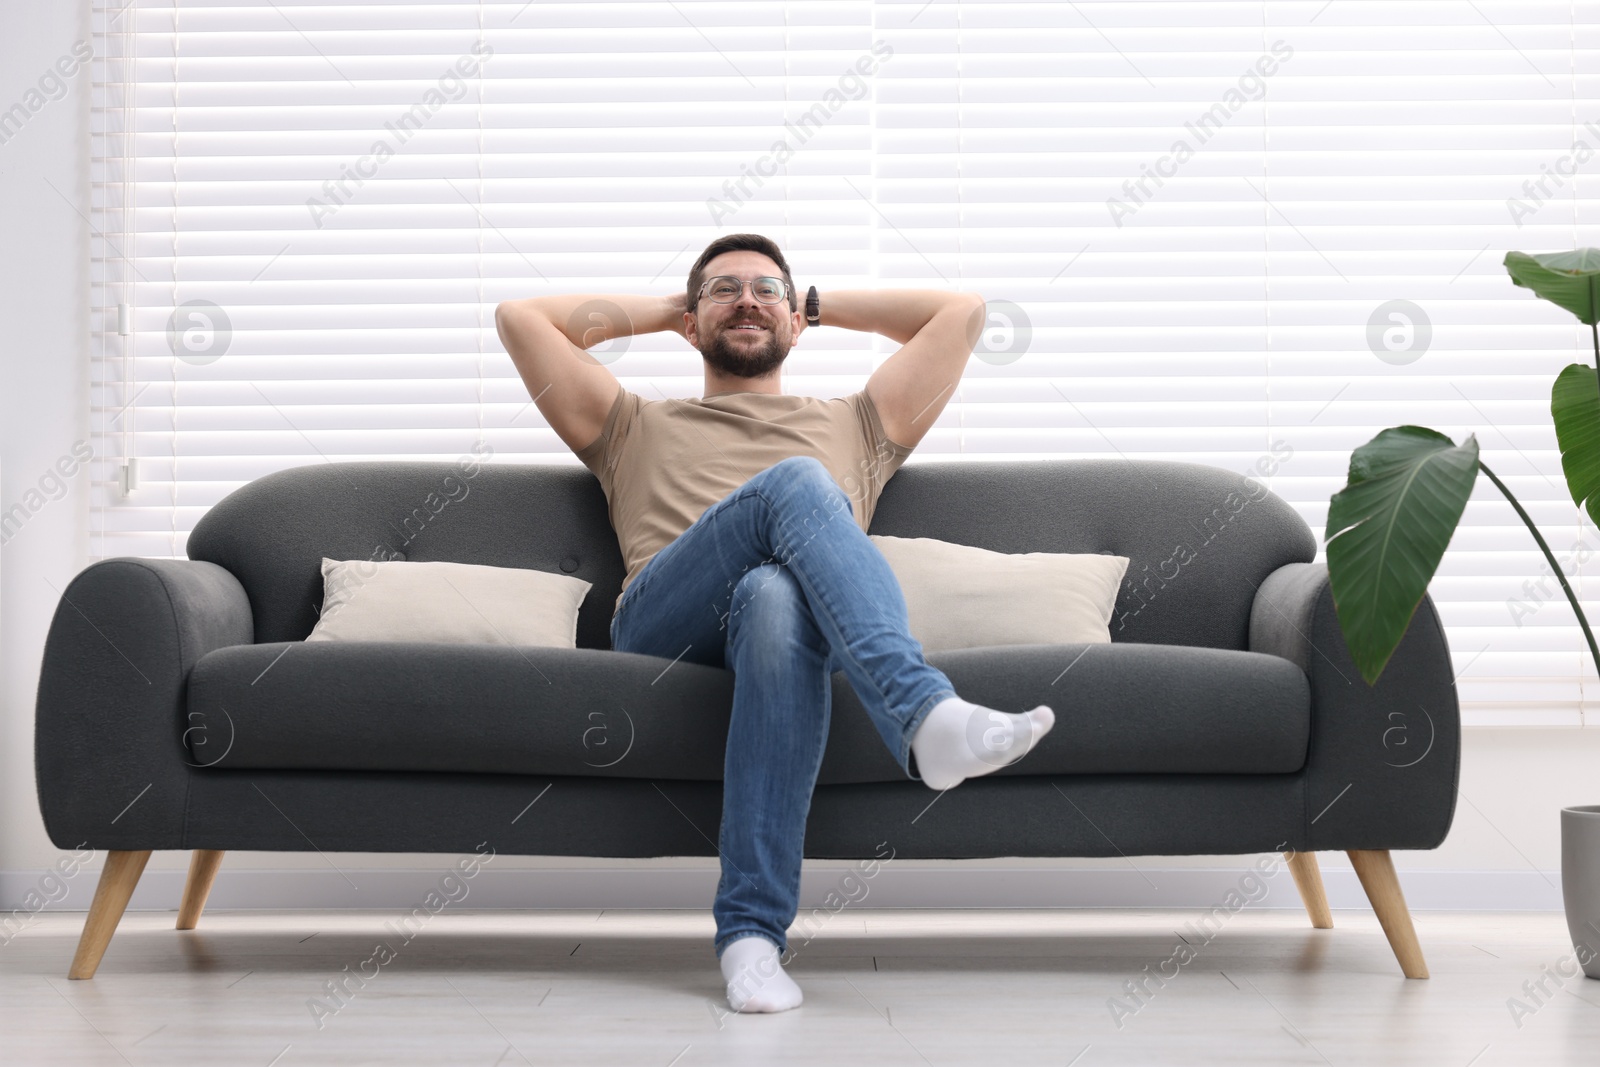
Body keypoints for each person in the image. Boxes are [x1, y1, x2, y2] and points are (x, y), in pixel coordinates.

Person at [494, 233, 1054, 1014]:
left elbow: (961, 314)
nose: (749, 300)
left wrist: (813, 303)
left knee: (773, 593)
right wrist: (672, 310)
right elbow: (520, 318)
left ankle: (751, 940)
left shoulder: (862, 422)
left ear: (796, 321)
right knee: (790, 484)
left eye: (768, 291)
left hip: (788, 631)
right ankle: (924, 713)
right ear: (694, 322)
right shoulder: (627, 424)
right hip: (665, 627)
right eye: (725, 290)